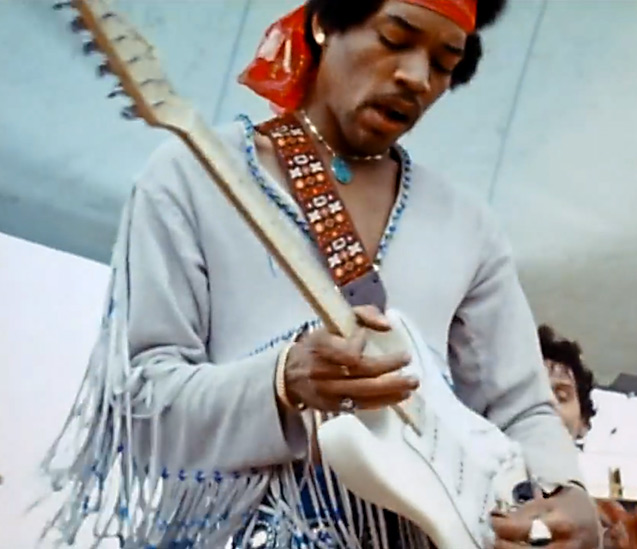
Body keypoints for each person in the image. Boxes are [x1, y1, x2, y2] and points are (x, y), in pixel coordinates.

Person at [40, 1, 600, 547]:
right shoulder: (191, 177)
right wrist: (280, 383)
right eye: (395, 37)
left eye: (444, 63)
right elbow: (139, 411)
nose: (416, 77)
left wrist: (568, 492)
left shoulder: (468, 223)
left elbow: (522, 407)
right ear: (324, 22)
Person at [496, 325, 637, 549]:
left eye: (561, 395)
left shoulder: (616, 526)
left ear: (583, 422)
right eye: (530, 395)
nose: (544, 407)